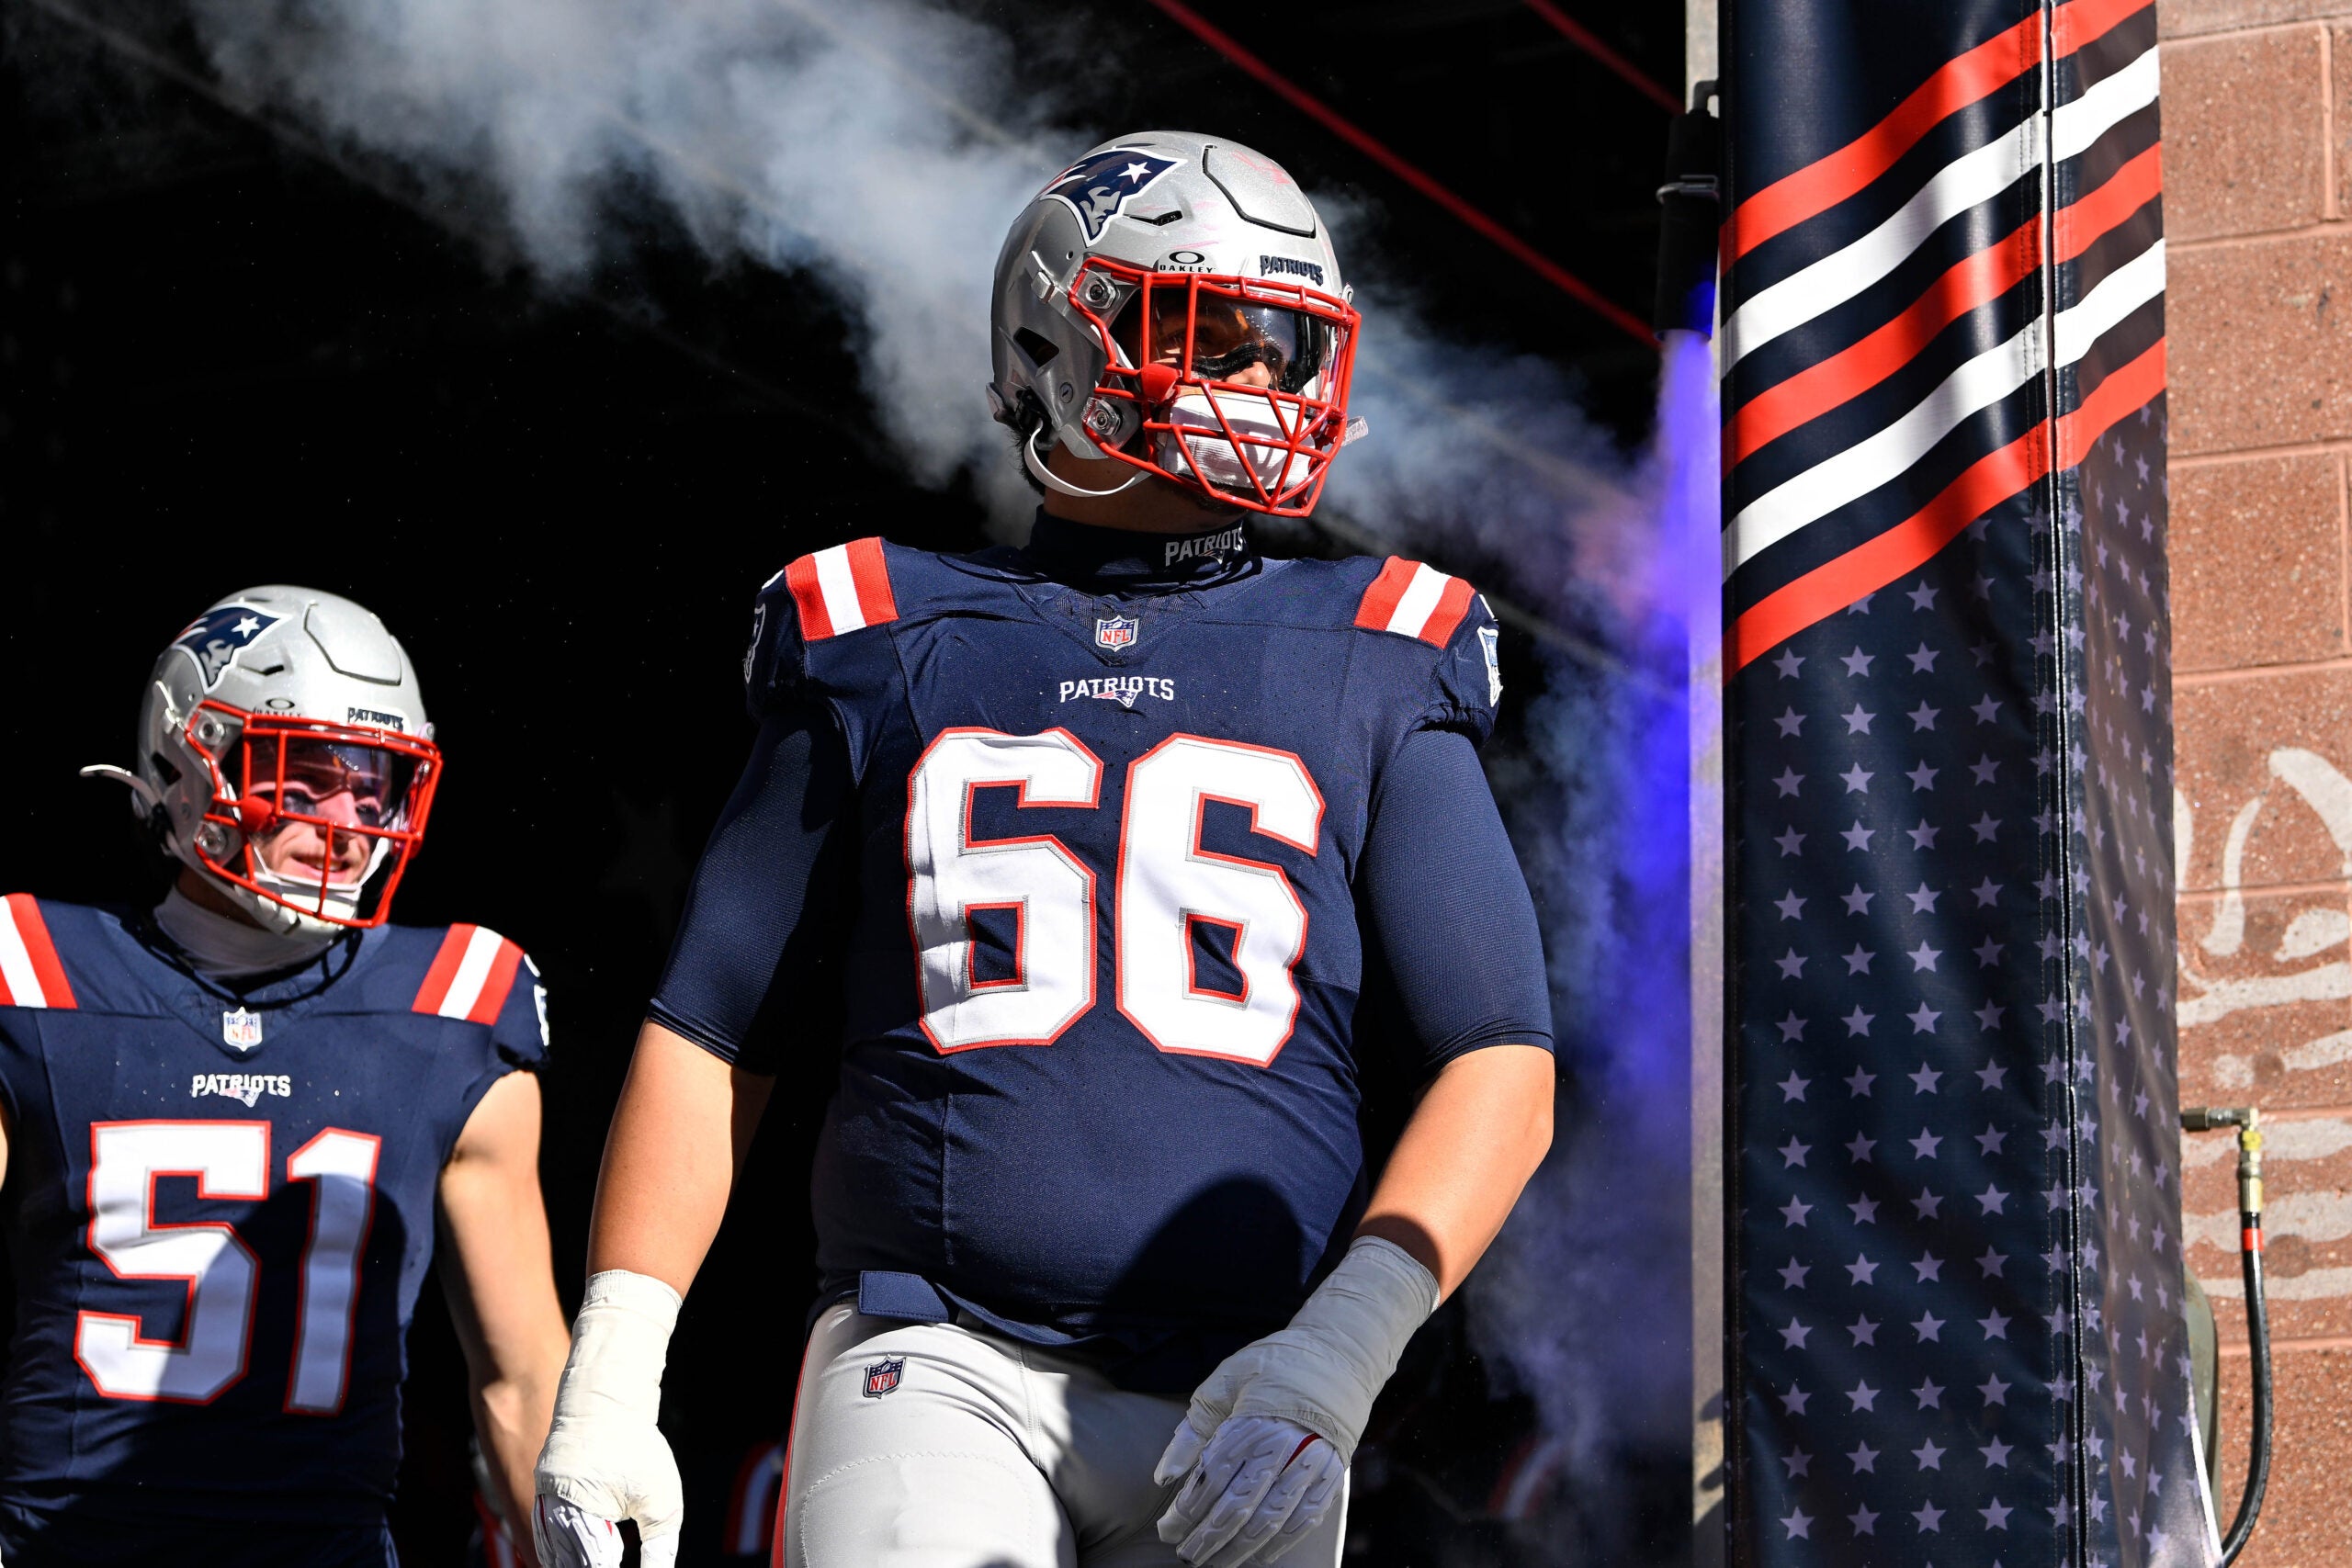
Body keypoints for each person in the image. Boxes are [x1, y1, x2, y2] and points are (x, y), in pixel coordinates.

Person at [533, 130, 1555, 1568]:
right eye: (1219, 332)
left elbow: (1502, 1060)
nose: (1264, 381)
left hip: (1253, 1384)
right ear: (1055, 337)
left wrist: (1342, 1348)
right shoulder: (882, 630)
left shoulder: (1378, 645)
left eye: (1286, 345)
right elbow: (712, 1029)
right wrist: (616, 1369)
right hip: (935, 1347)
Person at [0, 587, 571, 1566]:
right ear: (191, 757)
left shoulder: (454, 1004)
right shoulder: (36, 974)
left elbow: (521, 1387)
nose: (349, 823)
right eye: (305, 778)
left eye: (374, 785)